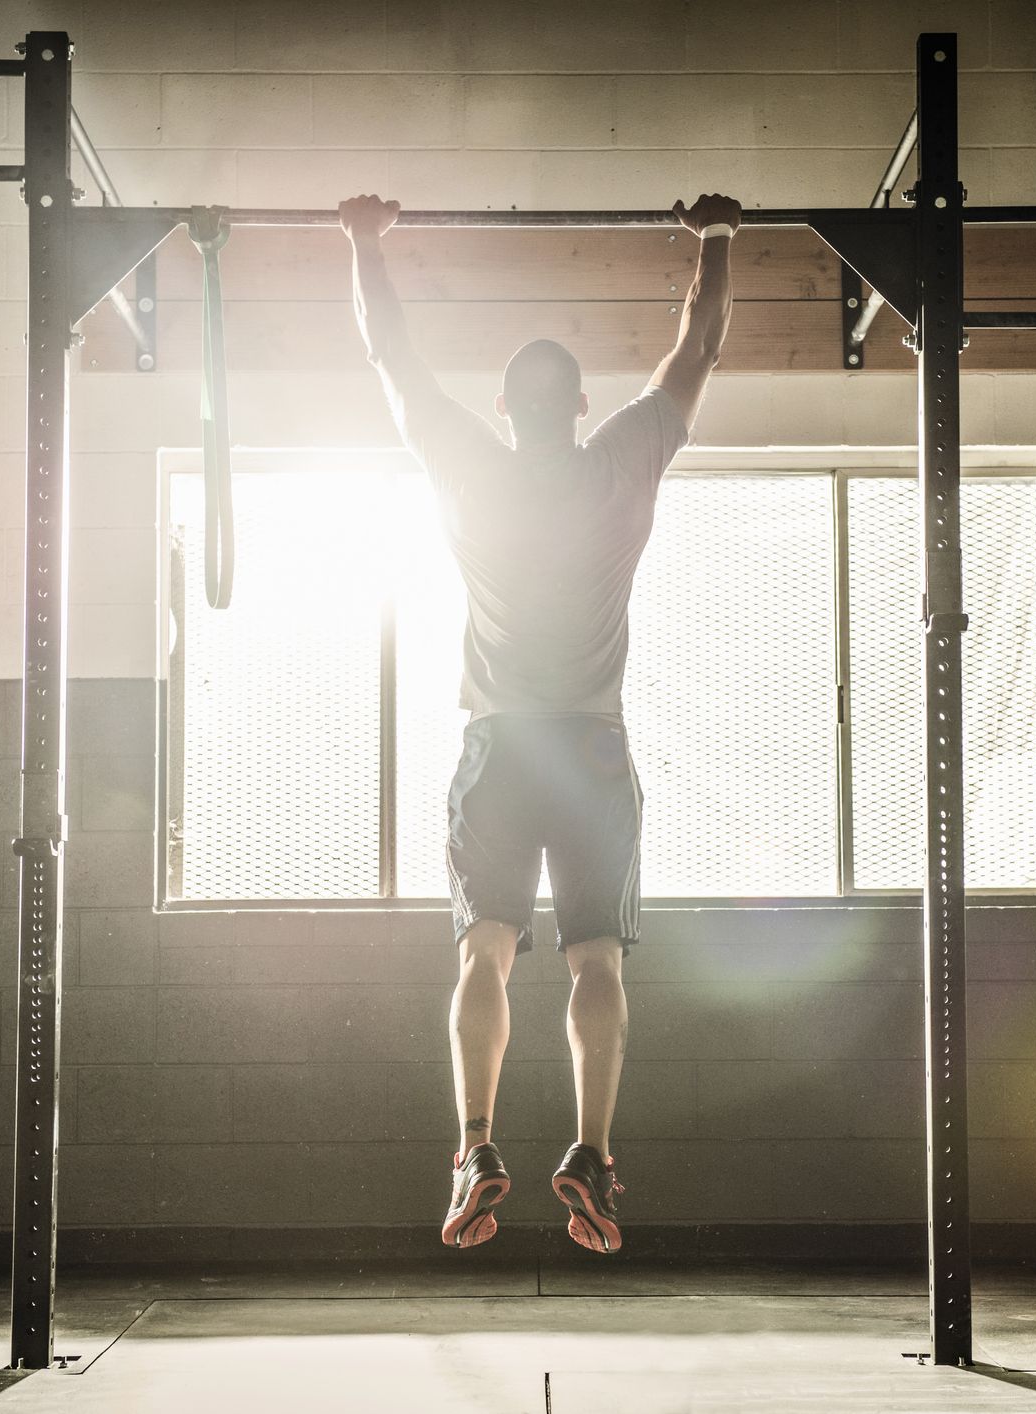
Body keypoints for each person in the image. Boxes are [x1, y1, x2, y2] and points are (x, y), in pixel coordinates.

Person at [339, 191, 740, 1253]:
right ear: (580, 406)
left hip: (498, 747)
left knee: (484, 954)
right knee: (595, 963)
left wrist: (364, 242)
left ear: (506, 407)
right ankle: (590, 1155)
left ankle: (475, 1147)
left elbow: (390, 357)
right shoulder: (622, 462)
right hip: (591, 750)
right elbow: (698, 345)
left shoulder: (470, 467)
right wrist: (714, 239)